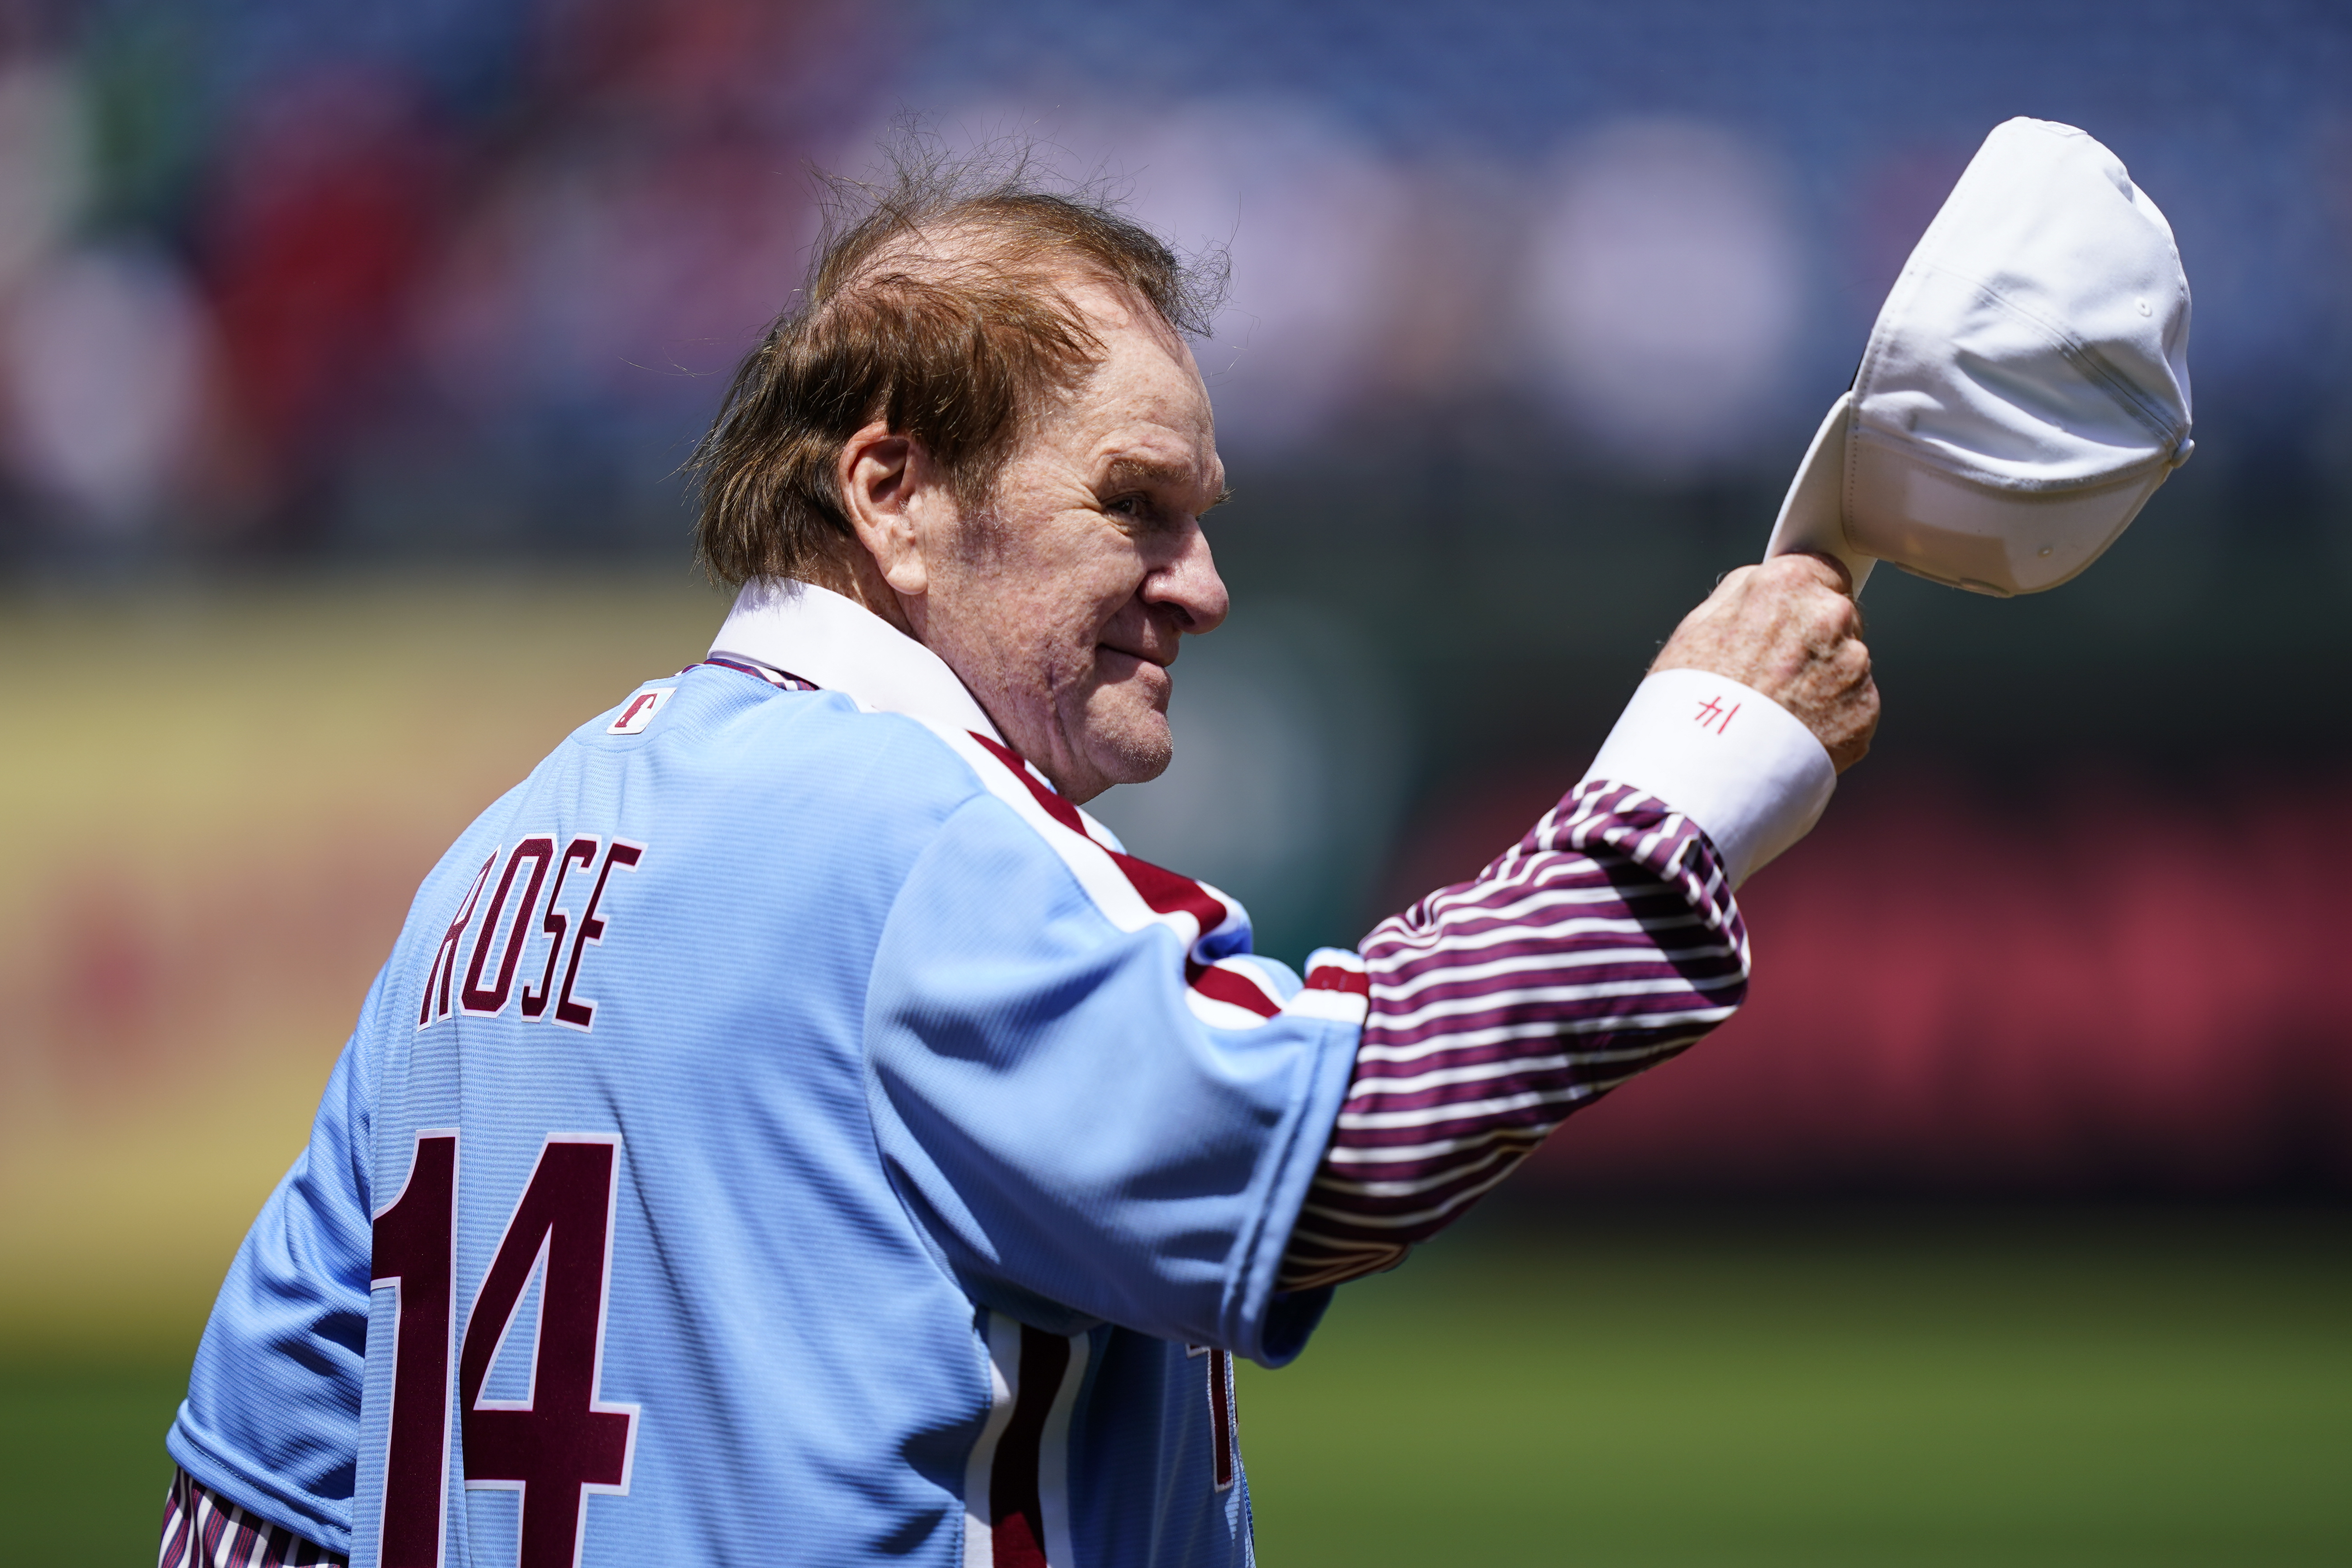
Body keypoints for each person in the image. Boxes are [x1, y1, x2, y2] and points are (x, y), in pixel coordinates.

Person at [159, 151, 1877, 1568]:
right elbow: (1343, 1144)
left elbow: (255, 1495)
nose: (1201, 581)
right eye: (1138, 504)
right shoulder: (911, 839)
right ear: (890, 491)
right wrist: (1690, 776)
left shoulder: (505, 849)